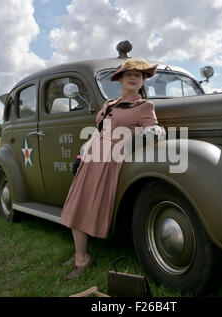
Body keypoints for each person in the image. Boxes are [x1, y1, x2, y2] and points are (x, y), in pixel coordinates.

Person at [60, 58, 164, 280]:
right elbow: (98, 133)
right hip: (91, 158)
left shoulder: (144, 106)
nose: (134, 78)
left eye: (139, 75)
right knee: (75, 206)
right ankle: (82, 255)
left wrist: (134, 141)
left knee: (86, 207)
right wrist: (81, 154)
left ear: (143, 80)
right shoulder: (109, 104)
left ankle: (81, 260)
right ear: (121, 79)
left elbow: (152, 129)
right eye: (129, 75)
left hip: (110, 161)